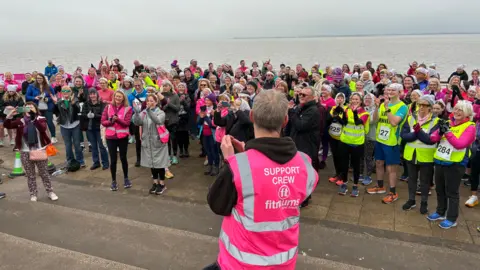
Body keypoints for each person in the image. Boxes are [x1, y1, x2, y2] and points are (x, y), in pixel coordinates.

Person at [204, 90, 318, 270]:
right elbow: (299, 194)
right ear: (285, 120)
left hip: (239, 264)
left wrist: (231, 161)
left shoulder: (238, 167)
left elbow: (217, 204)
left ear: (251, 116)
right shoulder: (304, 163)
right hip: (283, 263)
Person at [427, 100, 475, 229]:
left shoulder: (470, 127)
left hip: (455, 163)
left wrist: (447, 133)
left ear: (467, 113)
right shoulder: (448, 123)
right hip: (440, 160)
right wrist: (440, 132)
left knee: (452, 192)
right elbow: (433, 138)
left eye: (461, 110)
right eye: (456, 109)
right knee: (439, 188)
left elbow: (460, 144)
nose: (457, 112)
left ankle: (451, 218)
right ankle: (440, 211)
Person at [4, 102, 58, 202]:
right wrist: (9, 115)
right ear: (23, 110)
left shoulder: (40, 119)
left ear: (35, 109)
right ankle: (33, 193)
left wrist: (33, 118)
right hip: (25, 151)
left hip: (39, 150)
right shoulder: (20, 121)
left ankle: (50, 191)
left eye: (31, 107)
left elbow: (42, 129)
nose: (28, 109)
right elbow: (8, 125)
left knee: (44, 173)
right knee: (30, 175)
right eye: (26, 107)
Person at [367, 83, 408, 204]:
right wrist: (376, 107)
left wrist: (387, 108)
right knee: (379, 163)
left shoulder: (402, 107)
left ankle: (393, 192)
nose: (389, 92)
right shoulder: (384, 104)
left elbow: (394, 122)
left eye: (393, 90)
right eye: (388, 90)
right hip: (380, 139)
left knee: (391, 168)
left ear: (400, 92)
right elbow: (374, 120)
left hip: (392, 142)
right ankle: (380, 186)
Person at [400, 95, 439, 214]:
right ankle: (411, 200)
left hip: (426, 156)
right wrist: (417, 134)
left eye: (425, 105)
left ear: (430, 107)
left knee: (424, 181)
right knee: (411, 179)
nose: (421, 107)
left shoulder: (436, 121)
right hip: (411, 154)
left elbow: (430, 139)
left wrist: (417, 132)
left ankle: (424, 202)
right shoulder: (411, 118)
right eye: (420, 104)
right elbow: (404, 135)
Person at [133, 94, 170, 195]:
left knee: (160, 164)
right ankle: (155, 183)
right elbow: (137, 123)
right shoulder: (144, 113)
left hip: (158, 142)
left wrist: (149, 111)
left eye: (152, 100)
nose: (150, 102)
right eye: (148, 101)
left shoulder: (160, 112)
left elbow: (158, 121)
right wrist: (136, 113)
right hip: (147, 142)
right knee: (152, 164)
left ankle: (162, 184)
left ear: (156, 102)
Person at [338, 92, 370, 197]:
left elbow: (358, 122)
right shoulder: (346, 110)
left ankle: (355, 185)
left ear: (360, 101)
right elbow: (343, 122)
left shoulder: (365, 113)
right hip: (345, 141)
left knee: (356, 165)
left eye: (357, 99)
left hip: (357, 143)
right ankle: (344, 183)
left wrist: (355, 113)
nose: (354, 101)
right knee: (343, 164)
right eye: (353, 99)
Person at [101, 91, 133, 191]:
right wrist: (111, 121)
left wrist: (117, 119)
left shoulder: (128, 108)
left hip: (122, 137)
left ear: (123, 98)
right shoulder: (108, 107)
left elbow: (127, 123)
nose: (118, 98)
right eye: (116, 96)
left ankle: (126, 178)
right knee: (113, 160)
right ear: (114, 97)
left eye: (120, 97)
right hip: (111, 137)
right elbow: (103, 121)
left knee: (123, 158)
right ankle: (113, 181)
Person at [53, 86, 86, 168]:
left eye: (67, 91)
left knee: (77, 144)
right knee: (68, 145)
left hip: (75, 125)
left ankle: (80, 161)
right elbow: (55, 112)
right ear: (61, 92)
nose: (65, 92)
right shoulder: (59, 101)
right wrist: (55, 104)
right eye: (63, 90)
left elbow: (78, 109)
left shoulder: (75, 100)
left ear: (71, 92)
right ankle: (70, 161)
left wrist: (73, 103)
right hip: (64, 126)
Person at [82, 88, 109, 170]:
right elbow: (83, 114)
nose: (92, 95)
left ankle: (105, 163)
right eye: (91, 94)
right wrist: (87, 115)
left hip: (99, 128)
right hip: (90, 128)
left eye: (94, 94)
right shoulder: (86, 104)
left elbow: (104, 116)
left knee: (102, 146)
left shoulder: (102, 104)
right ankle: (96, 162)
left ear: (97, 94)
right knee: (93, 146)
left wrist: (95, 115)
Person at [26, 73, 57, 143]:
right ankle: (42, 136)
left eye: (40, 78)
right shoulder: (31, 86)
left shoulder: (48, 86)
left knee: (49, 122)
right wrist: (34, 98)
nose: (39, 79)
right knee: (39, 123)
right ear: (35, 79)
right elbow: (27, 97)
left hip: (48, 107)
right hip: (37, 108)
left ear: (43, 79)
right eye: (38, 78)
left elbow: (53, 97)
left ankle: (53, 136)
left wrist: (47, 99)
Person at [128, 79, 147, 166]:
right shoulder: (130, 96)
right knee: (138, 139)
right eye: (135, 86)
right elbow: (130, 108)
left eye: (139, 85)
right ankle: (139, 158)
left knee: (147, 138)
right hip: (136, 120)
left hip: (147, 119)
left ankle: (148, 157)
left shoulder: (147, 93)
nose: (137, 87)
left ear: (142, 84)